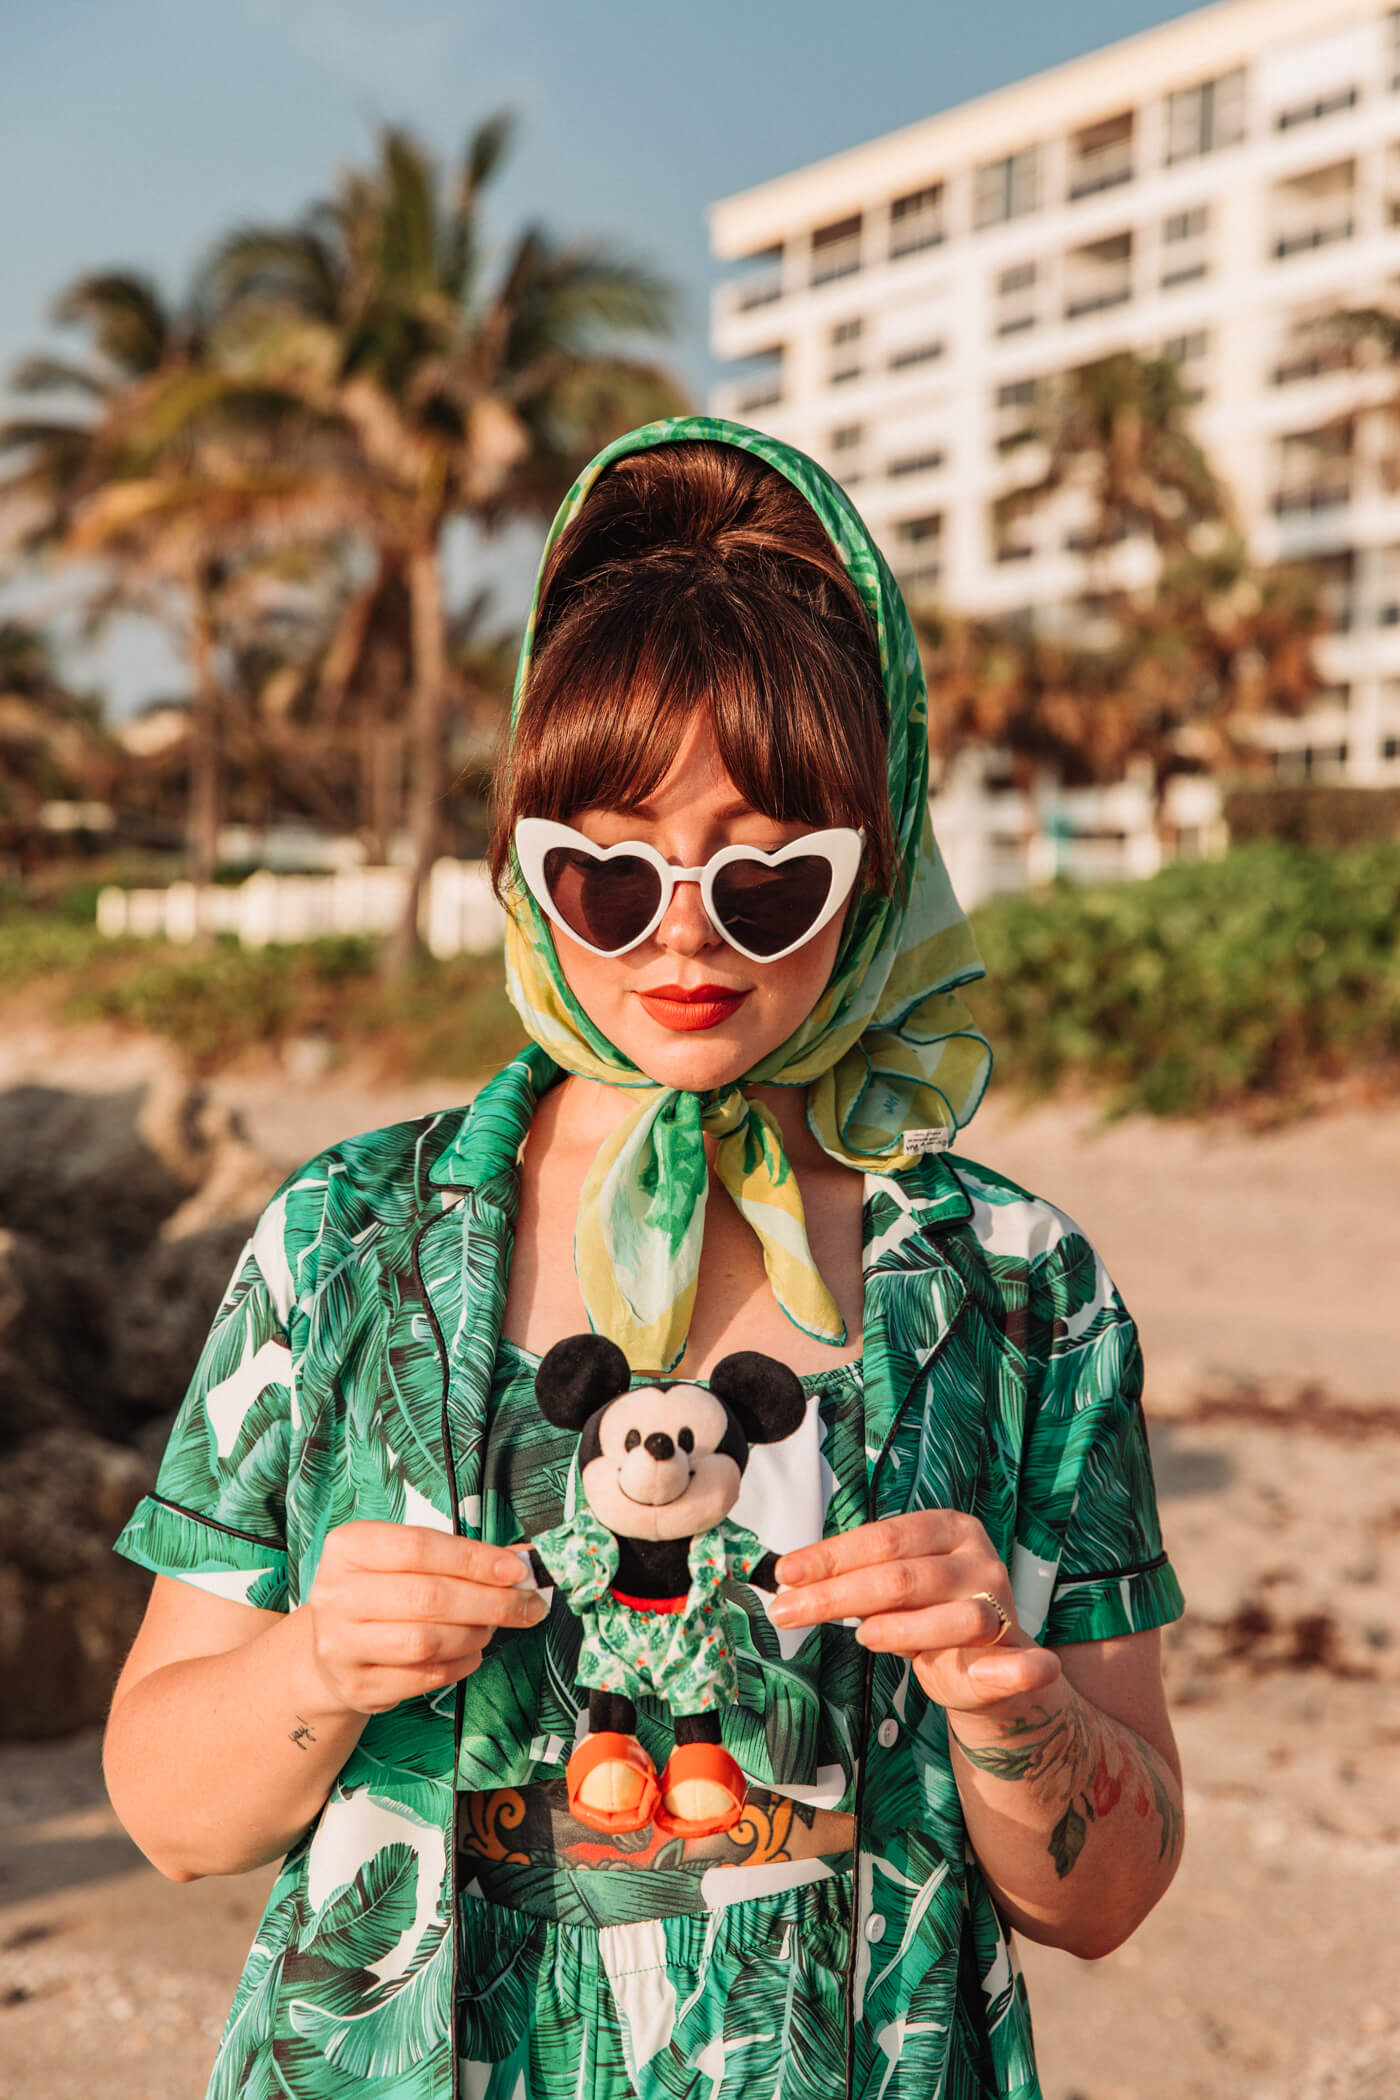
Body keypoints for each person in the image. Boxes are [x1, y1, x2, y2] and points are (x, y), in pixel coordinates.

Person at [104, 418, 1186, 2100]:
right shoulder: (344, 1244)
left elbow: (1105, 1897)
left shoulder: (1026, 1287)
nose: (683, 932)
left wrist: (1009, 1701)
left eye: (768, 880)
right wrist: (315, 1659)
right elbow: (172, 1817)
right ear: (525, 871)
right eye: (608, 871)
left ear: (874, 872)